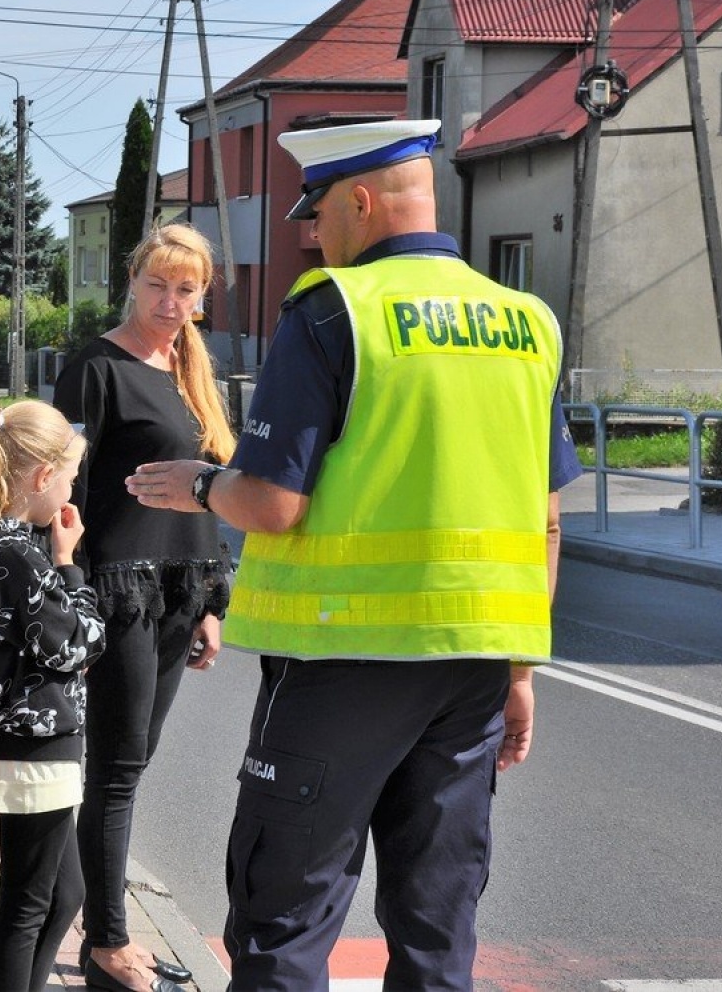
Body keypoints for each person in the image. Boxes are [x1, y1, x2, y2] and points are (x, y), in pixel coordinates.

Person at [125, 119, 581, 991]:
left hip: (340, 660)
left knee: (285, 918)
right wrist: (520, 671)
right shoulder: (529, 322)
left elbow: (274, 504)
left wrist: (201, 485)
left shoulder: (333, 310)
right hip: (474, 669)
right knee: (437, 921)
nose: (314, 234)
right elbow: (547, 522)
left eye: (320, 212)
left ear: (362, 202)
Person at [52, 222, 235, 992]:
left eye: (185, 289)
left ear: (202, 296)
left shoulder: (193, 371)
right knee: (117, 769)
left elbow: (210, 497)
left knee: (131, 766)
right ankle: (108, 945)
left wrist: (210, 602)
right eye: (157, 284)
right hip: (117, 591)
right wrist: (72, 593)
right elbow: (61, 491)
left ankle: (95, 927)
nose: (169, 301)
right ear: (131, 280)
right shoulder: (95, 368)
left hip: (179, 589)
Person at [0, 402, 107, 992]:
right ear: (42, 477)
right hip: (34, 741)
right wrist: (69, 564)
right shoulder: (18, 553)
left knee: (62, 893)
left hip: (17, 737)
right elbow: (80, 644)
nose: (70, 491)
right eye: (68, 477)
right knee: (27, 903)